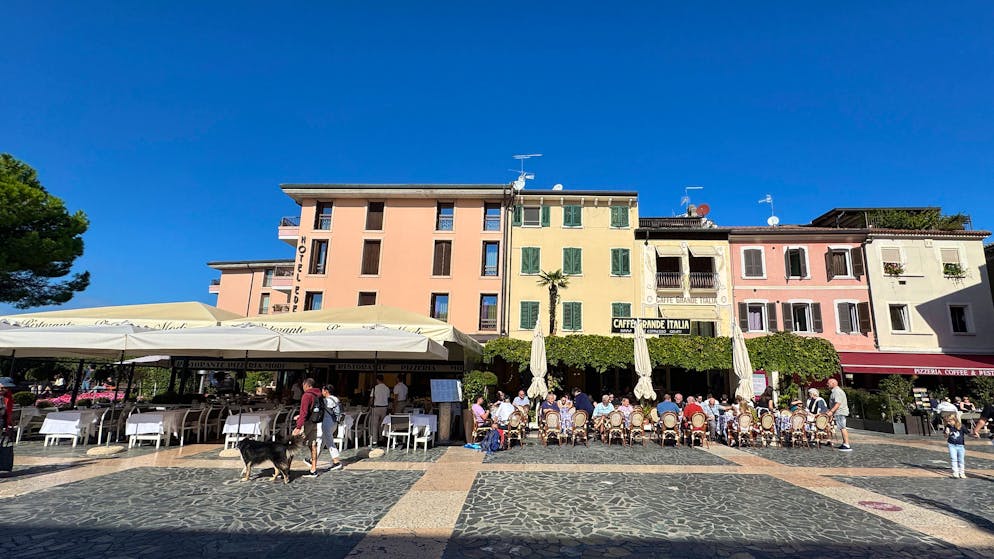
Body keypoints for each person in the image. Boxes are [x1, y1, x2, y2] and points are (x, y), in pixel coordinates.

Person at [291, 378, 322, 477]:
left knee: (292, 444)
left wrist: (298, 426)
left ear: (307, 385)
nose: (302, 388)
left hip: (306, 424)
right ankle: (313, 469)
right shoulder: (319, 395)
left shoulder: (307, 395)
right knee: (313, 445)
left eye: (303, 385)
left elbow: (304, 412)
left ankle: (286, 468)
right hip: (315, 422)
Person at [319, 385, 344, 471]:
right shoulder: (336, 399)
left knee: (329, 441)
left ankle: (336, 461)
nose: (321, 392)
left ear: (326, 391)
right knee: (322, 441)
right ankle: (313, 459)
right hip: (334, 422)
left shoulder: (327, 400)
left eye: (322, 390)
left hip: (327, 422)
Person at [827, 378, 852, 451]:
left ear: (833, 384)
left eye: (829, 383)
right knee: (842, 427)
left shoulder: (837, 392)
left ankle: (847, 444)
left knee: (842, 427)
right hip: (839, 412)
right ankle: (844, 443)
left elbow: (838, 403)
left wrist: (831, 411)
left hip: (840, 412)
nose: (827, 385)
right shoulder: (835, 391)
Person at [944, 414, 969, 478]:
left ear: (954, 420)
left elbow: (968, 433)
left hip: (960, 445)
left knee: (961, 459)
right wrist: (947, 433)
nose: (948, 423)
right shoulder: (948, 427)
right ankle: (955, 472)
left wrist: (974, 435)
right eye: (947, 421)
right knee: (953, 458)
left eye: (949, 421)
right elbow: (945, 436)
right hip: (951, 445)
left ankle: (962, 472)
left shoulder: (961, 426)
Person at [368, 375, 391, 446]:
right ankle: (381, 438)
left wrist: (369, 406)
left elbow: (371, 399)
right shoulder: (387, 388)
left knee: (374, 424)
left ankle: (375, 441)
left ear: (377, 380)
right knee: (382, 424)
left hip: (376, 407)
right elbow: (388, 397)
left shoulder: (375, 388)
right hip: (384, 408)